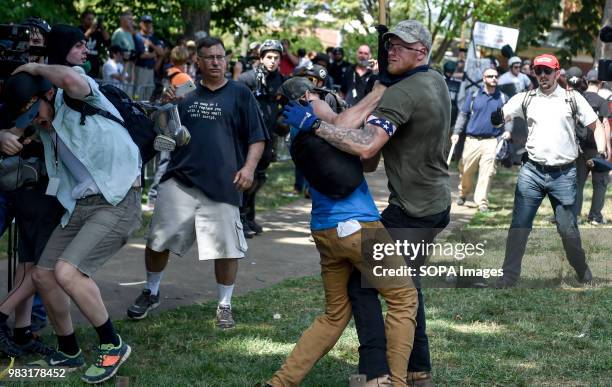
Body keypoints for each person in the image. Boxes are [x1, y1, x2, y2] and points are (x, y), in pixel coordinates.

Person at [280, 20, 451, 386]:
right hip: (433, 203)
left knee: (365, 283)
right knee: (406, 283)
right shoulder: (434, 79)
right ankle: (417, 369)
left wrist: (316, 126)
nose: (391, 51)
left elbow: (366, 148)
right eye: (388, 45)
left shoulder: (402, 94)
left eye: (401, 46)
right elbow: (369, 157)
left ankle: (378, 374)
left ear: (421, 51)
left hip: (412, 211)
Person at [266, 76, 417, 387]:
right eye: (323, 94)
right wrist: (377, 93)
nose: (329, 98)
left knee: (335, 315)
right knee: (404, 297)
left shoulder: (300, 134)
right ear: (309, 96)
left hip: (326, 232)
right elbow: (339, 120)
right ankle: (399, 383)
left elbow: (364, 158)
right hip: (359, 227)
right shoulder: (315, 116)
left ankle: (280, 383)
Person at [15, 25, 141, 383]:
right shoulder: (48, 121)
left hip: (117, 198)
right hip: (82, 206)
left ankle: (111, 344)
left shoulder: (83, 91)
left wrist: (36, 68)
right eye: (78, 45)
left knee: (69, 272)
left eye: (85, 44)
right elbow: (17, 130)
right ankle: (69, 349)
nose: (32, 117)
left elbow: (69, 79)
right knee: (43, 273)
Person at [127, 37, 266, 328]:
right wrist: (165, 107)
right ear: (198, 62)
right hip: (180, 179)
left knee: (227, 249)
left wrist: (249, 168)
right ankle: (151, 291)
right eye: (209, 57)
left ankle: (224, 305)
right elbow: (161, 130)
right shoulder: (185, 91)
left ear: (226, 60)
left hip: (223, 182)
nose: (216, 62)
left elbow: (257, 137)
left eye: (220, 56)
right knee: (157, 240)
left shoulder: (240, 93)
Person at [494, 54, 607, 288]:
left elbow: (595, 126)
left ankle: (582, 270)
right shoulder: (526, 98)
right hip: (532, 171)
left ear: (558, 73)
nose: (543, 76)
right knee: (519, 225)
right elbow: (501, 116)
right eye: (538, 71)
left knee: (567, 229)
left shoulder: (571, 98)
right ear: (534, 73)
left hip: (564, 174)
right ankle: (508, 277)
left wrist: (602, 150)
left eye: (548, 71)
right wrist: (496, 118)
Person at [0, 73, 63, 359]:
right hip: (22, 189)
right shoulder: (27, 101)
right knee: (38, 265)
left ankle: (22, 332)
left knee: (32, 263)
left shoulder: (67, 94)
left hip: (42, 190)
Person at [237, 39, 286, 236]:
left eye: (276, 57)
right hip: (248, 136)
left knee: (259, 178)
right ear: (261, 58)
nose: (272, 61)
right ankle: (240, 220)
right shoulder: (246, 79)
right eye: (269, 57)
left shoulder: (281, 81)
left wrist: (283, 119)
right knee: (247, 177)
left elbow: (289, 102)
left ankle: (249, 217)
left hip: (269, 135)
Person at [452, 68, 510, 212]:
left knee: (487, 171)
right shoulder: (473, 95)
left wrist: (508, 130)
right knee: (466, 170)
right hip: (471, 140)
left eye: (496, 76)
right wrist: (456, 132)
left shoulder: (502, 98)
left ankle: (481, 202)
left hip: (492, 141)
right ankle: (463, 193)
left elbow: (509, 117)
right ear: (484, 78)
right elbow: (463, 115)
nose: (494, 79)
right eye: (490, 76)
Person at [575, 69, 611, 225]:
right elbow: (605, 125)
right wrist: (607, 146)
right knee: (600, 183)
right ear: (601, 83)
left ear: (586, 80)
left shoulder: (579, 99)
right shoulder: (602, 101)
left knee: (577, 183)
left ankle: (574, 215)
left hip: (579, 149)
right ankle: (595, 216)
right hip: (597, 149)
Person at [134, 15, 163, 101]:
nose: (147, 25)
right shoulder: (137, 36)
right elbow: (141, 55)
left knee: (148, 94)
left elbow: (161, 53)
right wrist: (153, 54)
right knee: (137, 93)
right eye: (145, 23)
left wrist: (151, 44)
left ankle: (143, 111)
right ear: (141, 24)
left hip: (150, 70)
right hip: (140, 68)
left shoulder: (153, 38)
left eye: (149, 23)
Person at [79, 10, 110, 78]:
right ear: (83, 19)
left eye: (92, 19)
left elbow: (108, 41)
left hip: (95, 64)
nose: (91, 21)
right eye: (89, 19)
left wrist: (102, 28)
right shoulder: (79, 29)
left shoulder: (97, 32)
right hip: (82, 62)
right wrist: (90, 30)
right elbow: (79, 40)